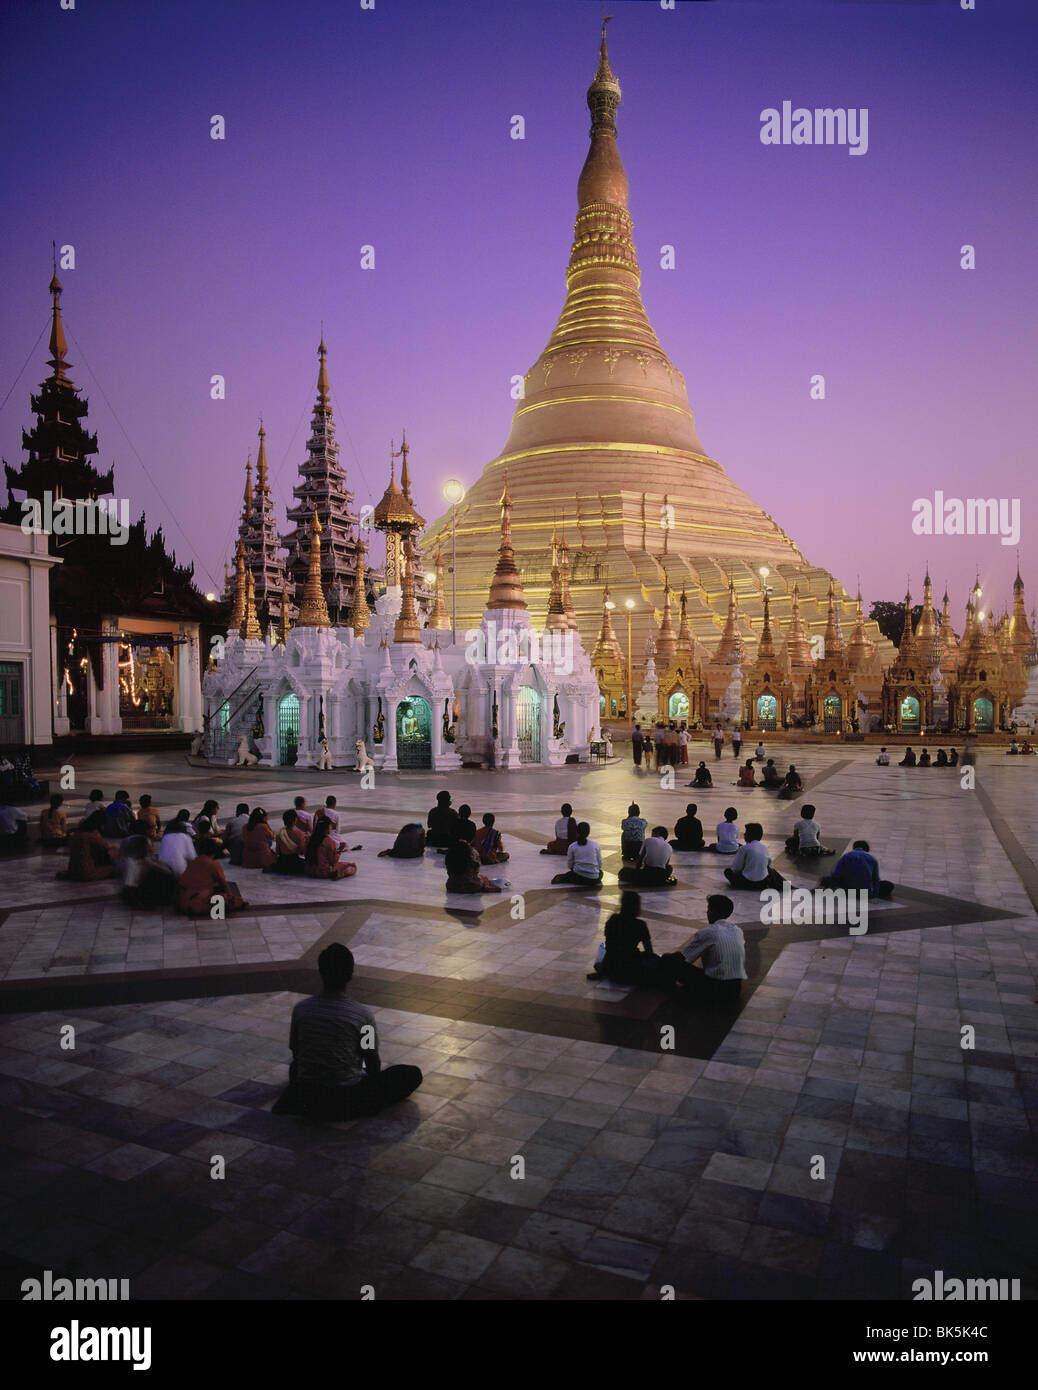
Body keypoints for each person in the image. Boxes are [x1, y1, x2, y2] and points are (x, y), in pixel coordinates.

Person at [272, 943, 422, 1120]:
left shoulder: (301, 1010)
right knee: (411, 1074)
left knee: (295, 1067)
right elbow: (372, 1061)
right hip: (346, 1096)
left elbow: (297, 1052)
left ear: (321, 972)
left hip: (308, 1092)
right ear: (350, 975)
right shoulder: (363, 1015)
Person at [658, 894, 746, 1005]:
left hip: (717, 988)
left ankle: (672, 995)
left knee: (668, 961)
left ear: (714, 912)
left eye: (709, 909)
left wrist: (664, 957)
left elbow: (681, 957)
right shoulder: (737, 930)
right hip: (734, 988)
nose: (707, 912)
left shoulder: (708, 932)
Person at [587, 891, 658, 985]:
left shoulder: (613, 920)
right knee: (657, 962)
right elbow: (649, 952)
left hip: (613, 969)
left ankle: (604, 971)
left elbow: (610, 948)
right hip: (631, 969)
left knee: (600, 961)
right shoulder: (640, 925)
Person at [178, 837, 247, 916]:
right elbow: (223, 884)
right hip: (196, 903)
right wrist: (230, 897)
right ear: (214, 852)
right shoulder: (213, 864)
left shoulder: (193, 862)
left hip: (183, 901)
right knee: (232, 900)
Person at [118, 835, 177, 909]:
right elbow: (129, 887)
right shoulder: (132, 863)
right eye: (148, 847)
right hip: (137, 894)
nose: (150, 848)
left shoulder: (142, 860)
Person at [56, 809, 118, 880]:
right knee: (113, 866)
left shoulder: (77, 833)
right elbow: (106, 848)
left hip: (73, 870)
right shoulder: (92, 835)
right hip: (86, 872)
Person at [822, 839, 893, 898]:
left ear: (854, 847)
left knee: (826, 879)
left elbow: (836, 873)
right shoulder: (872, 858)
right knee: (888, 884)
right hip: (866, 892)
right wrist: (874, 893)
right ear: (867, 849)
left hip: (847, 890)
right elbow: (876, 879)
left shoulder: (846, 856)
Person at [723, 823, 784, 891]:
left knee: (727, 871)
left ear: (750, 835)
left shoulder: (744, 848)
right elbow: (768, 864)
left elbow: (736, 868)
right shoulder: (765, 848)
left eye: (746, 833)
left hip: (746, 882)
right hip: (762, 883)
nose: (744, 835)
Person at [445, 824, 502, 893]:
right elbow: (476, 871)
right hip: (470, 886)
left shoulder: (451, 851)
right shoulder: (473, 852)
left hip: (451, 885)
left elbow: (449, 871)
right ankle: (486, 887)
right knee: (484, 878)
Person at [551, 822, 603, 888]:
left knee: (569, 875)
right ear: (588, 832)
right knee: (601, 873)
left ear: (577, 831)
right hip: (594, 880)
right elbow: (600, 863)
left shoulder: (572, 846)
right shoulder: (595, 845)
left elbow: (570, 864)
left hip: (579, 877)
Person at [267, 809, 307, 875]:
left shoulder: (280, 834)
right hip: (294, 862)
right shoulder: (299, 834)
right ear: (295, 820)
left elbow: (278, 851)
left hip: (282, 862)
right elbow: (301, 851)